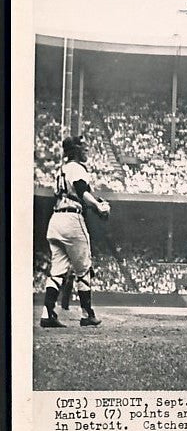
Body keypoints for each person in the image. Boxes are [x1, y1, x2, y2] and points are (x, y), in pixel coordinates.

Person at [40, 136, 109, 328]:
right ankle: (87, 314)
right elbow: (81, 191)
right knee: (84, 268)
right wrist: (99, 206)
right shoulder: (77, 168)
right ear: (76, 151)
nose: (87, 151)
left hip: (56, 220)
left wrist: (94, 205)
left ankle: (47, 313)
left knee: (57, 271)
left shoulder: (61, 169)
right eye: (84, 148)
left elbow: (70, 193)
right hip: (72, 219)